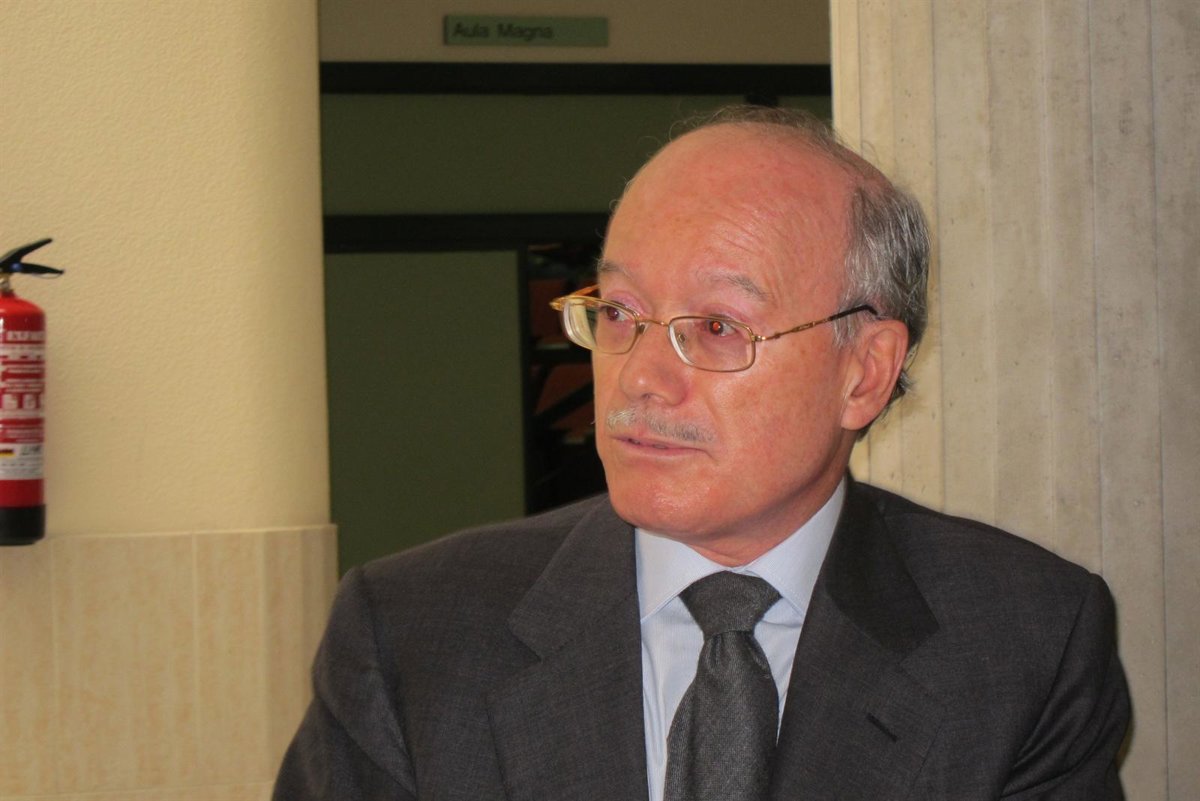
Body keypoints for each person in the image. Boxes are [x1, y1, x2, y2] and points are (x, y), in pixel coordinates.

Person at [273, 106, 1130, 800]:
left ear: (865, 373)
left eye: (718, 327)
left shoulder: (1023, 642)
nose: (640, 377)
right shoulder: (411, 637)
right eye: (618, 313)